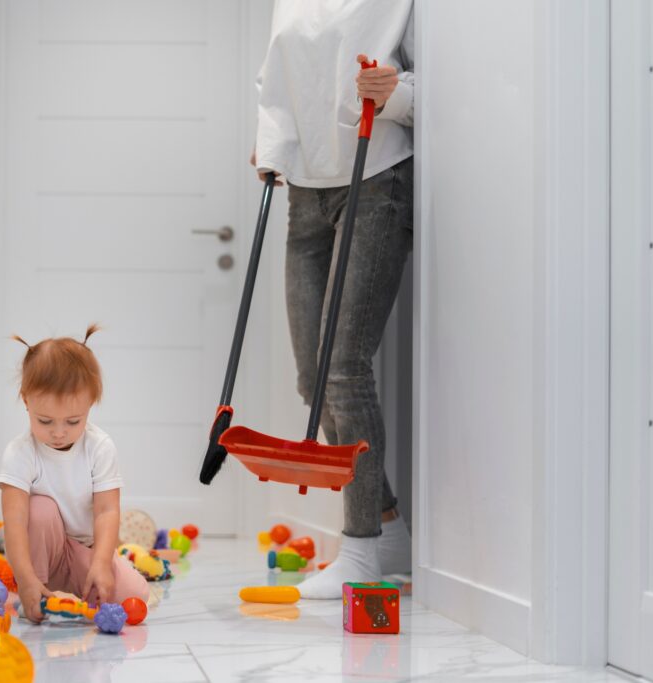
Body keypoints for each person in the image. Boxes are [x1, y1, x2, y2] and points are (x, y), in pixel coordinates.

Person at [253, 1, 416, 599]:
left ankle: (361, 551)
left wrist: (395, 92)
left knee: (343, 371)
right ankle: (389, 525)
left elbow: (437, 90)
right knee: (312, 377)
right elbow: (275, 82)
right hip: (305, 188)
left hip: (376, 174)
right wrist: (271, 147)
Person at [0, 326, 150, 622]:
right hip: (42, 555)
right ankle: (35, 590)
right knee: (39, 509)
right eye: (45, 421)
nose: (58, 432)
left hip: (84, 550)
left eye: (72, 421)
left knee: (135, 596)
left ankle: (77, 587)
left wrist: (102, 563)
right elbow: (14, 522)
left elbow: (106, 511)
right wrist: (26, 578)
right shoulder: (19, 452)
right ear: (26, 401)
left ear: (90, 404)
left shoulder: (100, 447)